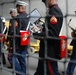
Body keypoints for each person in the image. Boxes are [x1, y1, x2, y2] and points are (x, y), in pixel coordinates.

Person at [33, 0, 63, 75]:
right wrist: (40, 29)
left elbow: (53, 34)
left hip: (49, 51)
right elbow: (49, 29)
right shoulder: (52, 10)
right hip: (45, 51)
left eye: (45, 1)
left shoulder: (54, 11)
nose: (44, 3)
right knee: (40, 72)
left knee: (52, 72)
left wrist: (38, 35)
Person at [7, 1, 29, 75]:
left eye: (17, 8)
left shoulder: (18, 18)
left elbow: (15, 32)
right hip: (25, 42)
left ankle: (20, 73)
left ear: (19, 8)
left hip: (17, 44)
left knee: (10, 57)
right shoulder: (28, 16)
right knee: (22, 60)